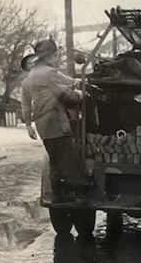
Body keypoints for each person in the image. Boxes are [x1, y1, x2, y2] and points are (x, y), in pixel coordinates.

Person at [21, 35, 88, 203]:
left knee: (55, 162)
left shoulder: (29, 78)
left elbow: (26, 105)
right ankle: (79, 197)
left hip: (43, 126)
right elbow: (64, 94)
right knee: (69, 159)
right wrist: (79, 95)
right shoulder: (49, 73)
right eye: (55, 55)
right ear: (47, 56)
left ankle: (58, 196)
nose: (57, 58)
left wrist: (29, 125)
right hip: (55, 122)